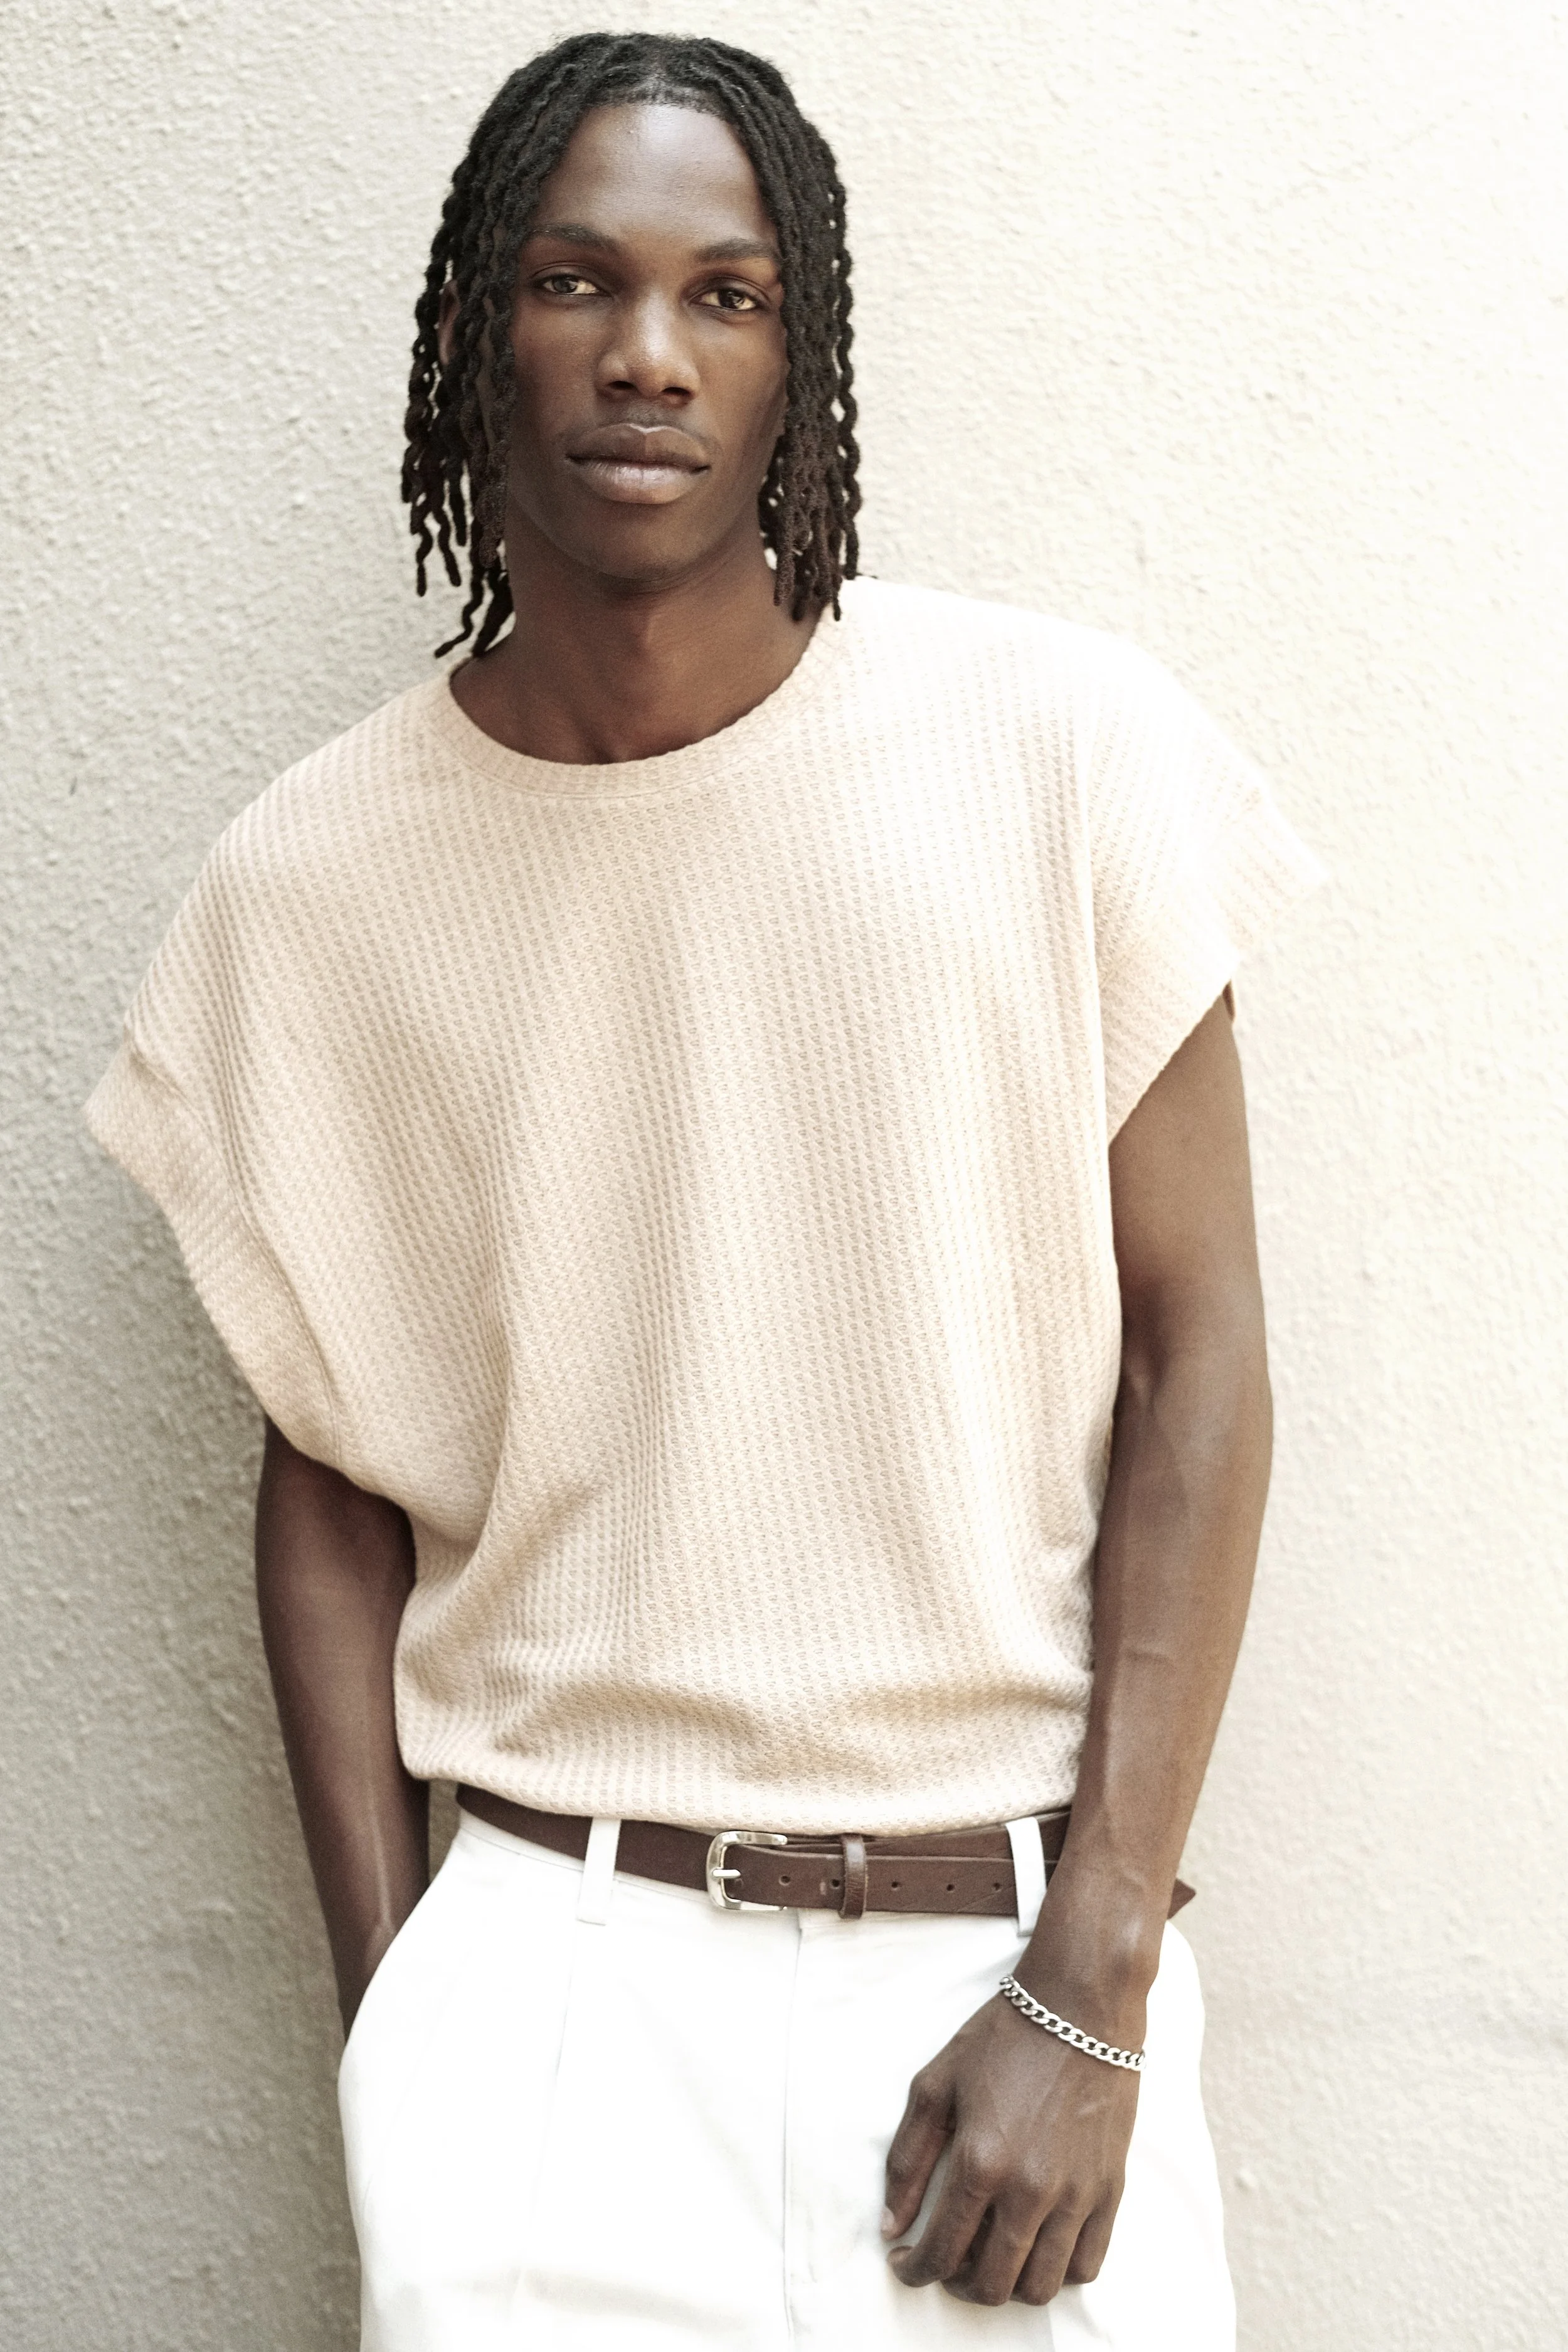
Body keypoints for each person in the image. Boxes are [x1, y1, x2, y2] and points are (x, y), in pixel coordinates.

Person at [85, 30, 1324, 2352]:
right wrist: (395, 2025)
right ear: (479, 331)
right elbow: (329, 1483)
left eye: (723, 295)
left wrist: (1091, 1971)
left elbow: (1205, 1361)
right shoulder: (316, 880)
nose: (646, 351)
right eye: (575, 280)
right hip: (549, 1987)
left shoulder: (1058, 754)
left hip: (1007, 1980)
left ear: (796, 354)